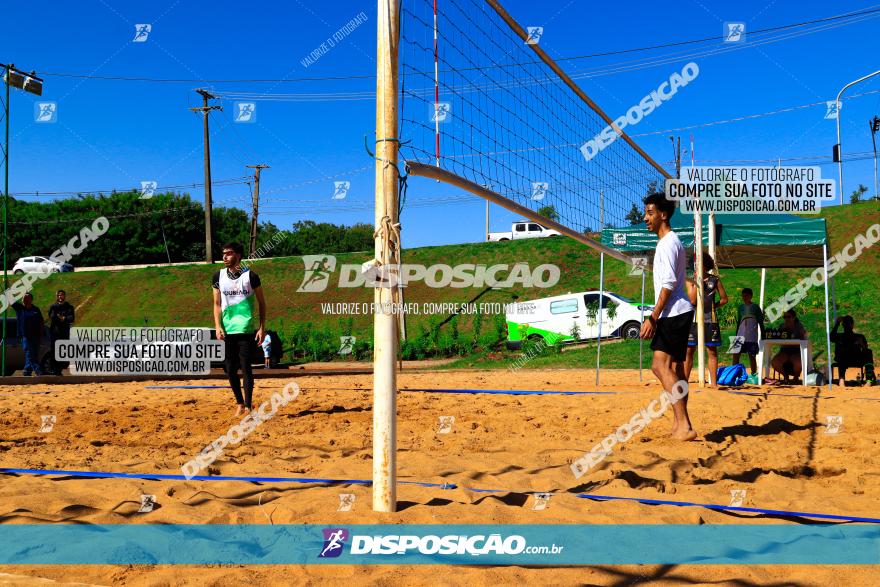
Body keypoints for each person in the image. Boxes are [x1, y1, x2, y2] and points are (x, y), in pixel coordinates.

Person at [639, 192, 696, 440]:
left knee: (659, 366)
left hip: (673, 313)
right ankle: (681, 424)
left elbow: (668, 284)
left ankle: (683, 425)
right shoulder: (672, 242)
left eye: (650, 213)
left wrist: (653, 317)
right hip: (679, 312)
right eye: (645, 213)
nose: (645, 218)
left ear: (663, 215)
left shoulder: (667, 243)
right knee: (675, 369)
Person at [212, 242, 267, 415]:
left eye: (229, 253)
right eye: (223, 254)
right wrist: (217, 326)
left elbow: (262, 303)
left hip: (245, 329)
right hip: (227, 330)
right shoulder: (217, 276)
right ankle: (240, 403)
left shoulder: (251, 276)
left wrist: (261, 328)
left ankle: (249, 406)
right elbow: (216, 304)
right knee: (229, 368)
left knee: (246, 367)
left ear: (238, 256)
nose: (225, 257)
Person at [684, 252, 728, 387]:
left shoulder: (715, 280)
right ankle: (684, 383)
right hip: (693, 320)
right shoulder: (690, 279)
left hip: (711, 321)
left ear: (706, 264)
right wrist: (697, 281)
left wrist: (713, 307)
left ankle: (713, 384)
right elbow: (692, 300)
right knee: (689, 351)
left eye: (701, 263)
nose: (698, 266)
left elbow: (724, 299)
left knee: (712, 351)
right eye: (696, 264)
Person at [831, 315, 875, 385]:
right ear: (843, 325)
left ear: (852, 325)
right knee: (842, 353)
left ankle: (869, 379)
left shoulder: (859, 337)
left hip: (856, 359)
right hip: (843, 360)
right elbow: (831, 337)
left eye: (848, 323)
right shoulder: (839, 336)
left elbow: (866, 350)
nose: (847, 325)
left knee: (868, 352)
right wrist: (837, 323)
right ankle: (841, 379)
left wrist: (862, 344)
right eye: (846, 323)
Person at [731, 288, 764, 375]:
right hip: (740, 334)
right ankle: (734, 373)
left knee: (752, 356)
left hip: (751, 335)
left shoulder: (755, 307)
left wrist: (763, 334)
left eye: (746, 295)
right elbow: (739, 321)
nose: (744, 297)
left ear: (751, 296)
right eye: (743, 295)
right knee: (735, 354)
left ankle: (753, 374)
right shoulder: (740, 307)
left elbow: (760, 321)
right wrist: (736, 334)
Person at [770, 309, 808, 383]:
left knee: (799, 362)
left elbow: (804, 337)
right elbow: (777, 337)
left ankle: (796, 378)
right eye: (785, 317)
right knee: (775, 362)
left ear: (794, 317)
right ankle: (785, 376)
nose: (786, 319)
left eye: (789, 317)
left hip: (796, 351)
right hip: (785, 351)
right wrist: (782, 329)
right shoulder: (782, 326)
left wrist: (801, 333)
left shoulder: (799, 326)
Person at [12, 293, 45, 376]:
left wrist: (41, 335)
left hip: (36, 336)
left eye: (27, 297)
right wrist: (6, 286)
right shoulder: (19, 308)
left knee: (34, 353)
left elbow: (41, 322)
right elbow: (11, 300)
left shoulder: (36, 309)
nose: (25, 299)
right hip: (25, 336)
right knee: (29, 352)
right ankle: (38, 370)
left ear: (31, 299)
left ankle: (27, 371)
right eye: (24, 297)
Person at [47, 289, 75, 375]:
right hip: (55, 333)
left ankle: (61, 368)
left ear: (64, 296)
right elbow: (52, 317)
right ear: (57, 296)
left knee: (64, 352)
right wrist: (62, 318)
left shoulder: (69, 307)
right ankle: (56, 370)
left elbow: (72, 318)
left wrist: (63, 318)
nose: (60, 296)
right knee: (55, 352)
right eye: (58, 295)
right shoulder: (53, 307)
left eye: (62, 295)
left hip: (65, 333)